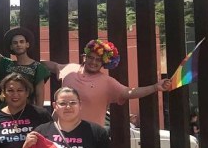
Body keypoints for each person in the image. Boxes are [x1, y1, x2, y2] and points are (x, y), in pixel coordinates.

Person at [42, 39, 171, 127]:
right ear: (84, 57)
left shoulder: (107, 82)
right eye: (91, 57)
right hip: (59, 133)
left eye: (98, 60)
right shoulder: (69, 69)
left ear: (104, 62)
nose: (93, 62)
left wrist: (155, 87)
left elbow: (129, 92)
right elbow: (53, 66)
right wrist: (27, 61)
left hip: (89, 136)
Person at [0, 27, 49, 106]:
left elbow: (39, 95)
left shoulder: (38, 67)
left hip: (27, 112)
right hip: (7, 111)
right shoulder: (7, 64)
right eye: (15, 43)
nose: (18, 44)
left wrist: (39, 115)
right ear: (11, 47)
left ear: (27, 44)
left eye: (21, 42)